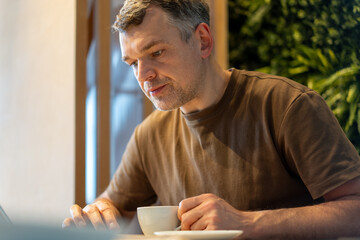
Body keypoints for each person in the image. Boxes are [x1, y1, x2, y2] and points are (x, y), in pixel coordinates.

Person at [63, 0, 360, 239]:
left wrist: (247, 223)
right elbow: (113, 207)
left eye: (156, 52)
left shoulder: (286, 106)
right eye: (133, 63)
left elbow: (355, 212)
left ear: (203, 41)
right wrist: (96, 214)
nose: (143, 76)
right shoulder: (149, 135)